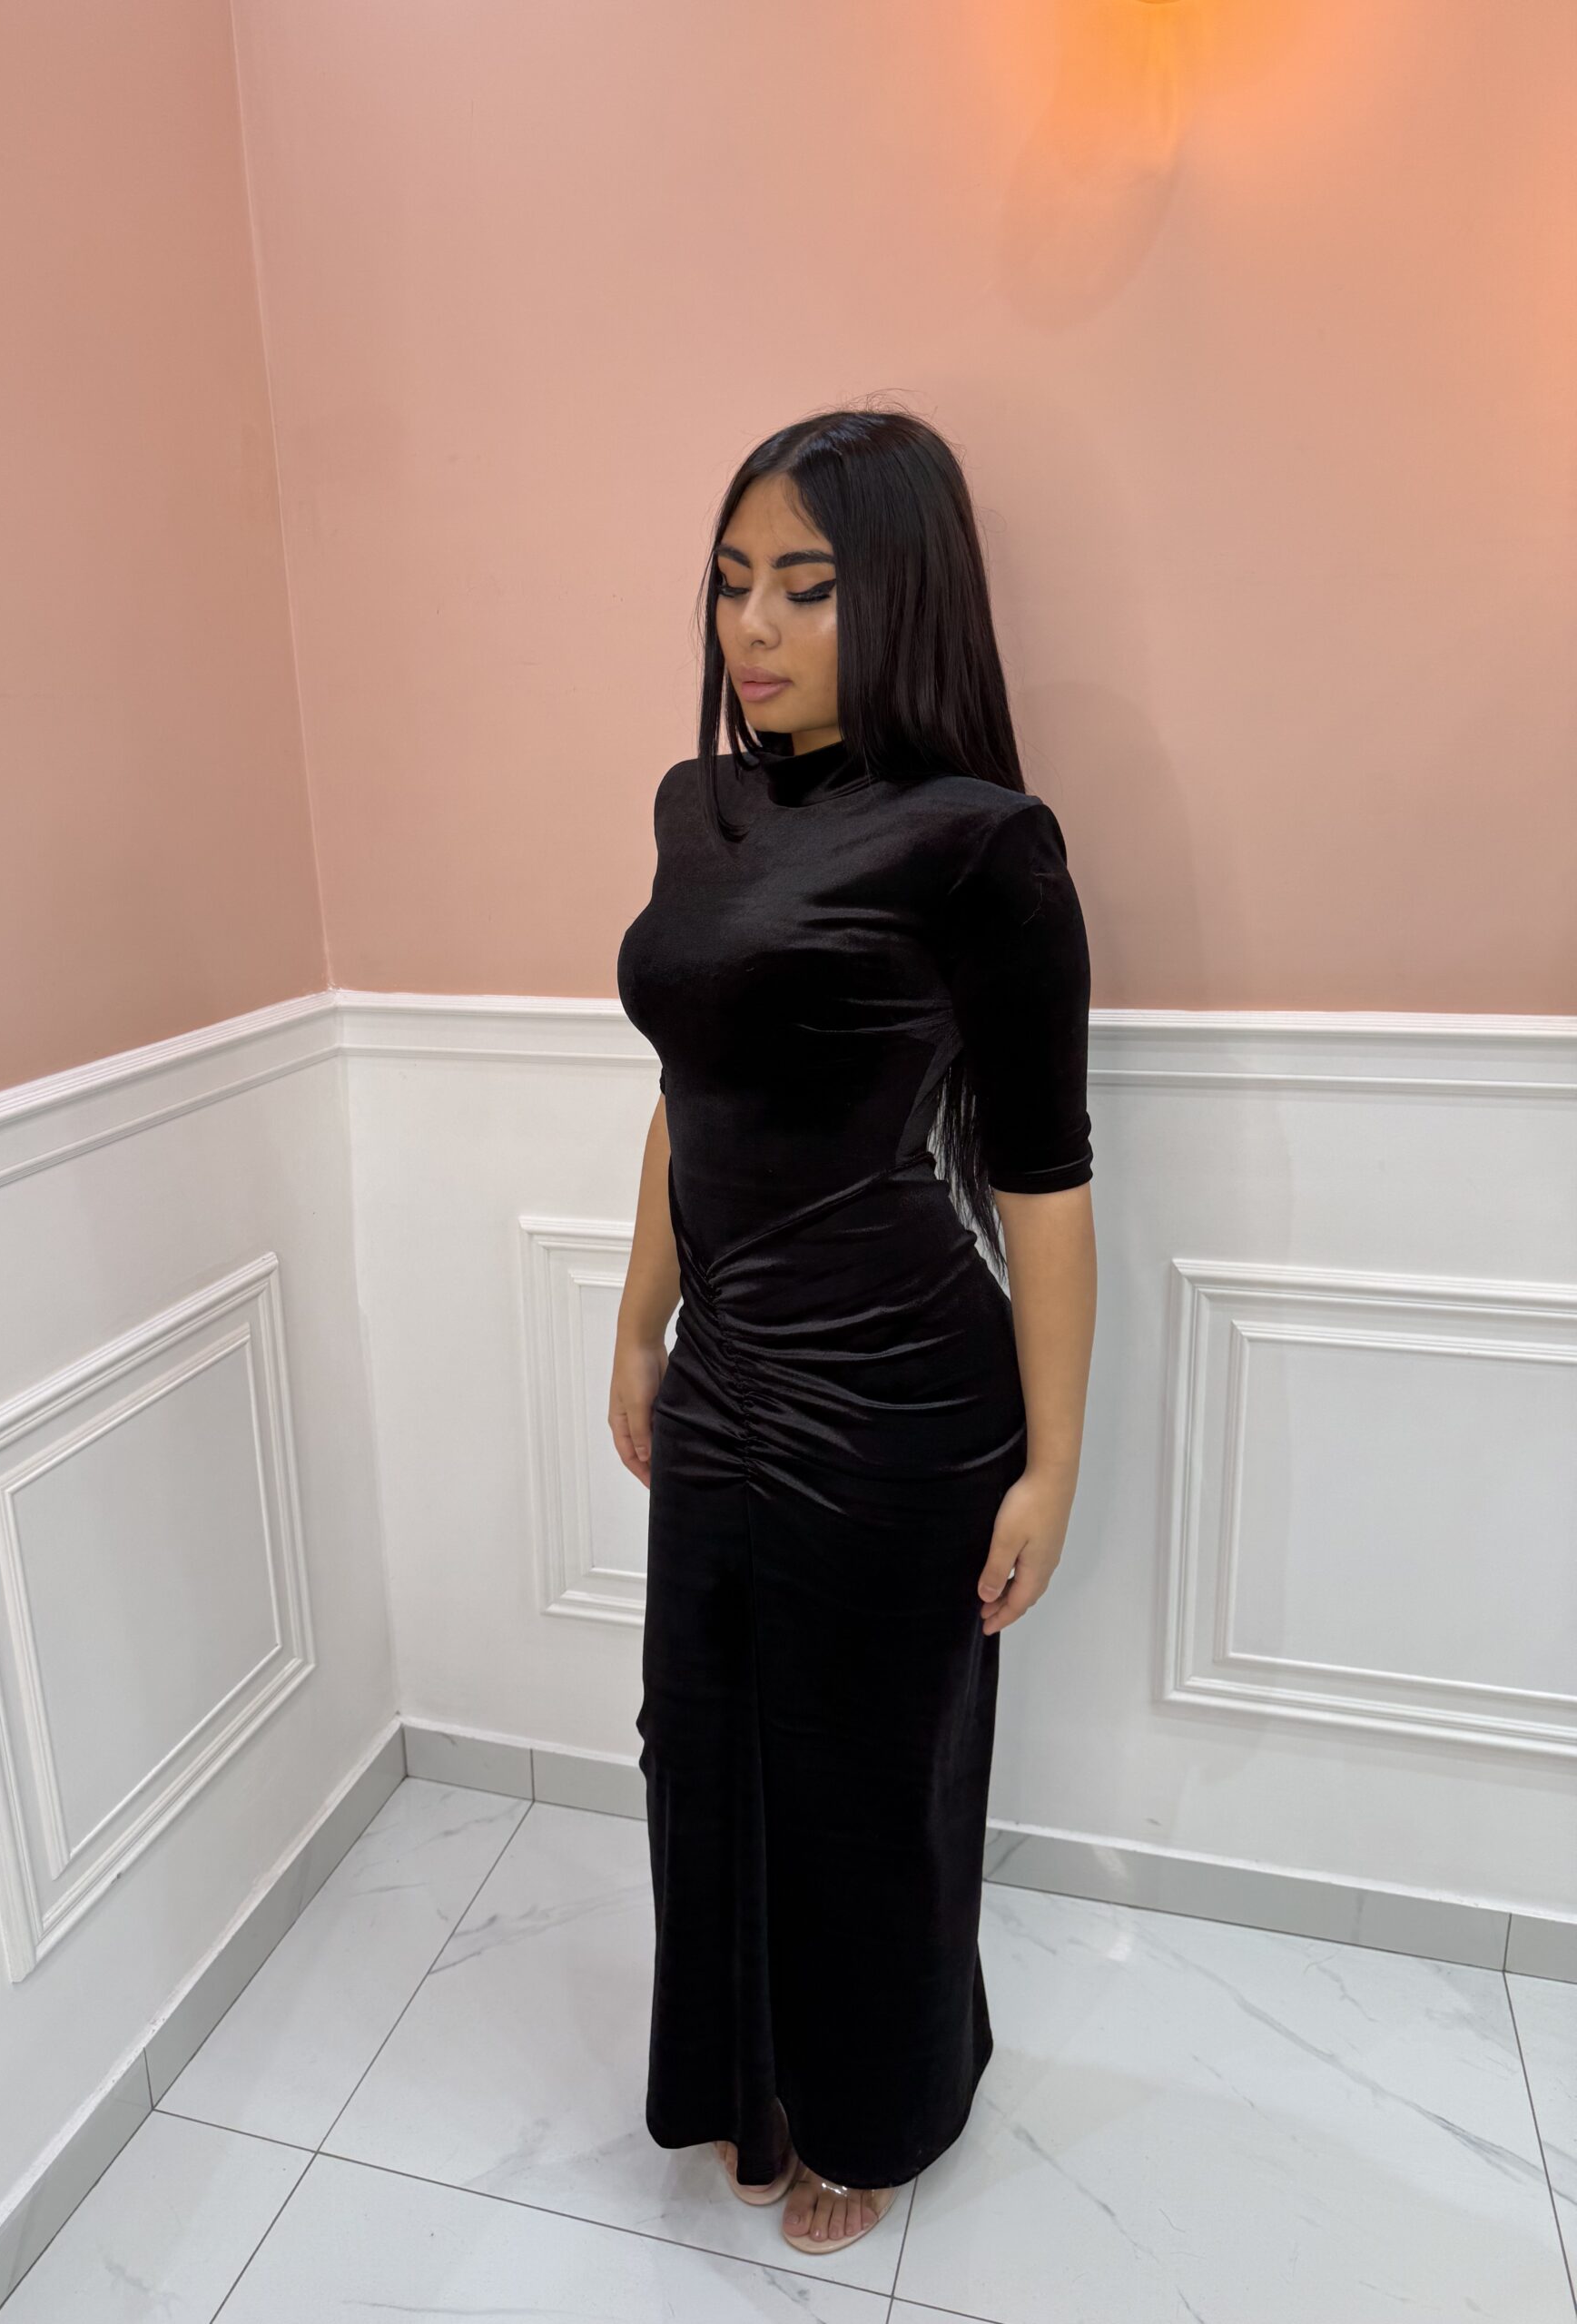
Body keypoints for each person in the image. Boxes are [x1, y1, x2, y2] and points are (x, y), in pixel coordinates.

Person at [611, 406, 1098, 2259]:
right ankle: (750, 2081)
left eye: (806, 587)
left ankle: (875, 2112)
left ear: (900, 594)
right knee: (698, 1749)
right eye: (734, 582)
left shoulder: (984, 845)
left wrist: (1056, 1464)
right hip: (724, 1374)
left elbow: (1043, 1178)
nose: (755, 626)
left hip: (901, 1401)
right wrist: (639, 1327)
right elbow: (684, 1093)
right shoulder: (698, 806)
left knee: (865, 1786)